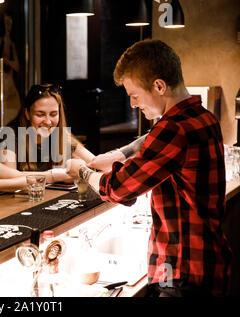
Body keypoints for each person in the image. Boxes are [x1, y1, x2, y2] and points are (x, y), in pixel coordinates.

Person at [66, 40, 231, 296]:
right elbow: (152, 140)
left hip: (180, 272)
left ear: (159, 86)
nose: (132, 104)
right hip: (206, 262)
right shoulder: (202, 117)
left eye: (135, 95)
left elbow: (119, 189)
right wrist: (118, 154)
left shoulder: (173, 129)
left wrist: (82, 172)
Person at [0, 83, 146, 173]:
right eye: (40, 114)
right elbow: (10, 176)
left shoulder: (62, 137)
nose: (48, 121)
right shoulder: (10, 136)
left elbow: (96, 162)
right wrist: (54, 176)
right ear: (27, 114)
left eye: (53, 114)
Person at [0, 11, 21, 125]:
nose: (8, 25)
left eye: (10, 23)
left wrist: (6, 61)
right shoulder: (0, 41)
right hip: (1, 83)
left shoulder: (12, 44)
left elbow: (17, 66)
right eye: (6, 23)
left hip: (10, 84)